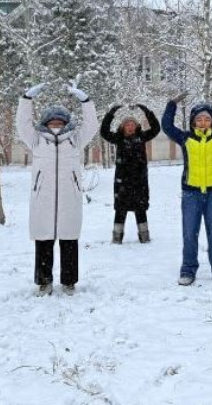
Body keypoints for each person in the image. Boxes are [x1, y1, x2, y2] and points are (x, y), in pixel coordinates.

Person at [15, 81, 99, 296]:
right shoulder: (36, 141)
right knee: (43, 240)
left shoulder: (75, 141)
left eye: (60, 121)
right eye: (52, 121)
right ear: (45, 122)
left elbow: (91, 125)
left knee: (69, 240)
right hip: (42, 199)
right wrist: (26, 99)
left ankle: (69, 281)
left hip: (69, 198)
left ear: (66, 123)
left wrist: (85, 101)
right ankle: (44, 282)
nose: (56, 124)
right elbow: (22, 124)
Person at [161, 90, 212, 288]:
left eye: (207, 118)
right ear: (193, 122)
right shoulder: (186, 138)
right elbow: (167, 126)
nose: (203, 122)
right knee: (190, 233)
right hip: (191, 193)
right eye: (199, 119)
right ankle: (188, 270)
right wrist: (172, 103)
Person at [99, 103, 160, 244]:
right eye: (127, 124)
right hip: (122, 182)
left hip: (140, 181)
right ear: (122, 127)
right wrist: (111, 112)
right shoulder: (118, 139)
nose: (130, 126)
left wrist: (146, 110)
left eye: (133, 124)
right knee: (120, 210)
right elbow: (104, 132)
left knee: (141, 209)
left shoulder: (142, 137)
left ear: (137, 126)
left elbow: (156, 129)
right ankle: (117, 237)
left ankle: (144, 236)